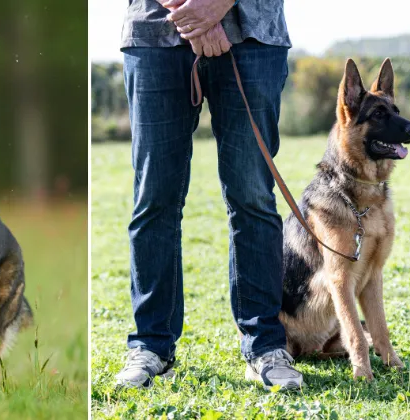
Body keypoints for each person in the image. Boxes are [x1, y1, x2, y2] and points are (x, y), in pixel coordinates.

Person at [114, 0, 302, 390]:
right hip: (155, 33)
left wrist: (217, 4)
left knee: (253, 197)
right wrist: (197, 18)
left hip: (254, 32)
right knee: (154, 198)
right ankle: (151, 344)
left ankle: (264, 345)